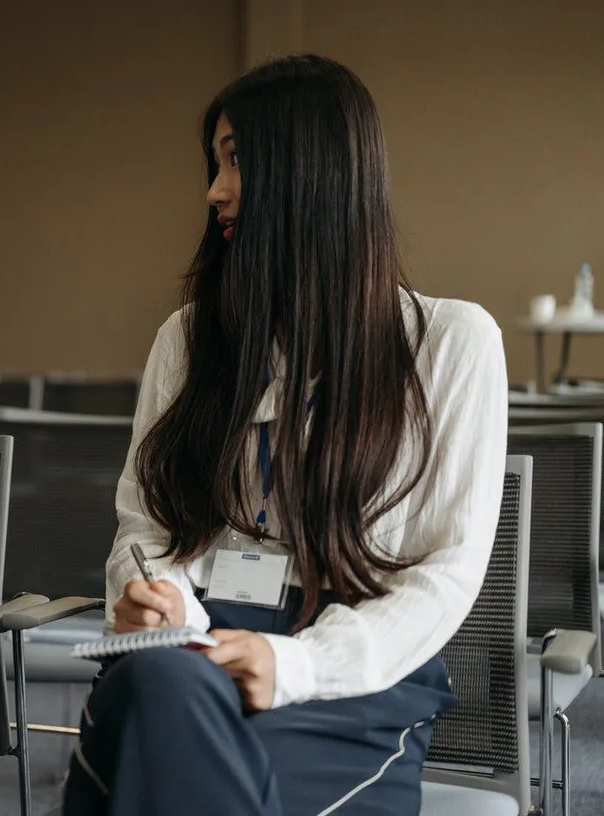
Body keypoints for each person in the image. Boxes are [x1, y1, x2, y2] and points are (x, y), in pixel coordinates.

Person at [64, 54, 508, 815]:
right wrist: (160, 602)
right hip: (193, 651)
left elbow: (444, 576)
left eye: (235, 160)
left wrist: (295, 664)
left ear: (314, 172)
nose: (213, 192)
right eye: (213, 163)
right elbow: (147, 526)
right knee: (165, 691)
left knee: (170, 763)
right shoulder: (188, 339)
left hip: (352, 673)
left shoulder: (452, 343)